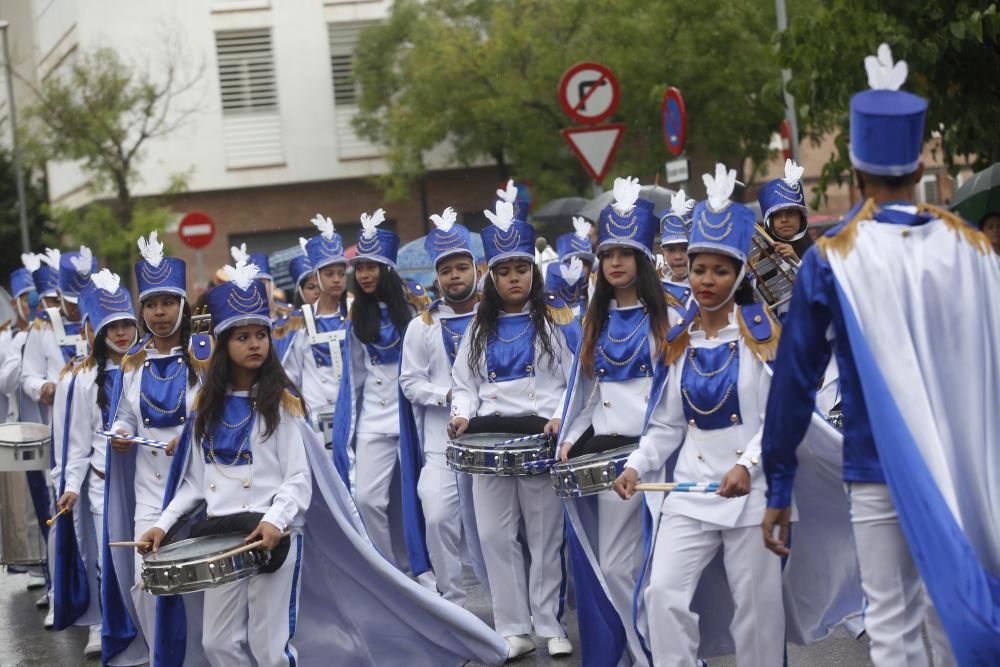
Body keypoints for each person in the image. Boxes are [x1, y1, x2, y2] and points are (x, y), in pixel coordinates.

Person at [762, 44, 1000, 666]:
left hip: (874, 468)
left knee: (891, 628)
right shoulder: (974, 251)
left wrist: (779, 483)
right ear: (921, 162)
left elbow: (794, 382)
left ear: (857, 172)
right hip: (961, 466)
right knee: (956, 615)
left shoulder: (832, 258)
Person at [613, 164, 785, 665]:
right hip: (688, 492)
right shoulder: (680, 338)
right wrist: (636, 467)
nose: (707, 280)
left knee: (756, 612)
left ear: (739, 274)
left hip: (750, 496)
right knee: (661, 595)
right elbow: (667, 423)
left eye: (720, 270)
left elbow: (779, 421)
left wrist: (746, 467)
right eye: (699, 268)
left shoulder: (762, 335)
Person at [138, 257, 310, 666]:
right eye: (242, 337)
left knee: (270, 649)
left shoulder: (282, 403)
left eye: (261, 335)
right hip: (220, 538)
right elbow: (195, 484)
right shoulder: (206, 406)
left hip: (271, 533)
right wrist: (161, 526)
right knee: (217, 644)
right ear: (222, 344)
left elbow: (299, 477)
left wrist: (275, 519)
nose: (255, 345)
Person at [449, 199, 580, 659]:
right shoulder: (476, 330)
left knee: (545, 535)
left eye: (521, 268)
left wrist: (562, 418)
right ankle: (512, 626)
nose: (514, 278)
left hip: (540, 439)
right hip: (489, 443)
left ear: (532, 271)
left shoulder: (555, 320)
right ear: (493, 277)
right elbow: (463, 385)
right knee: (493, 536)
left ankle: (549, 623)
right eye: (505, 271)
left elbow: (572, 381)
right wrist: (461, 415)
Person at [555, 177, 675, 666]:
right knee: (615, 567)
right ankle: (639, 652)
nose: (616, 263)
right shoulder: (595, 319)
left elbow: (672, 397)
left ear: (643, 259)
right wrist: (571, 437)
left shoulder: (668, 316)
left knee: (655, 570)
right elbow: (589, 395)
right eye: (608, 255)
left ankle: (658, 654)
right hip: (606, 458)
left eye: (626, 253)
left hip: (653, 456)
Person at [103, 232, 203, 665]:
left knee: (196, 577)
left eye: (167, 303)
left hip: (196, 485)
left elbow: (213, 414)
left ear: (182, 306)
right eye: (150, 304)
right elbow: (126, 413)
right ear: (141, 310)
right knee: (147, 578)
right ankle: (161, 655)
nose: (159, 313)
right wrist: (122, 433)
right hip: (148, 486)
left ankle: (201, 656)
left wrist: (191, 434)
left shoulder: (205, 357)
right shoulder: (134, 363)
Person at [398, 206, 483, 603]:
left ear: (477, 270)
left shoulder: (495, 318)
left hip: (491, 441)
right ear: (437, 276)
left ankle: (510, 609)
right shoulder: (422, 326)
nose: (454, 276)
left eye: (461, 267)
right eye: (446, 269)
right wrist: (446, 394)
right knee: (436, 516)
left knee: (493, 530)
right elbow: (409, 382)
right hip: (441, 447)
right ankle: (454, 601)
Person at [57, 270, 138, 658]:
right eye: (113, 326)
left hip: (147, 481)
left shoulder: (149, 366)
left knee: (143, 558)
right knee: (108, 558)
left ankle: (147, 626)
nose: (122, 333)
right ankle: (105, 624)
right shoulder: (85, 379)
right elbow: (77, 444)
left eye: (127, 324)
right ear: (97, 330)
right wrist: (71, 485)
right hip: (103, 485)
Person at [332, 208, 418, 568]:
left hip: (409, 412)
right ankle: (389, 570)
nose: (365, 275)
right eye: (360, 267)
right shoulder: (356, 316)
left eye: (372, 266)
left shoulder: (414, 311)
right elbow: (354, 375)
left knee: (420, 498)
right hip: (372, 418)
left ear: (387, 268)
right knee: (367, 498)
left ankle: (424, 567)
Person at [757, 159, 814, 264]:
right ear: (771, 221)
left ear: (801, 218)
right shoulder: (755, 260)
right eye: (777, 215)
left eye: (791, 213)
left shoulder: (818, 255)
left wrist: (797, 262)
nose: (784, 219)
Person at [544, 217, 596, 318]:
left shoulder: (596, 289)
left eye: (584, 262)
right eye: (572, 262)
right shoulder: (553, 295)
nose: (579, 267)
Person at [659, 189, 695, 308]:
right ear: (662, 252)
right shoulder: (656, 290)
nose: (678, 257)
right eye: (671, 250)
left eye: (685, 249)